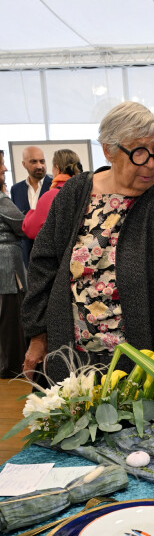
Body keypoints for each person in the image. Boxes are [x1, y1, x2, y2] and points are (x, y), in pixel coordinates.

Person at [21, 102, 154, 383]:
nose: (152, 164)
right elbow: (44, 265)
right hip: (73, 358)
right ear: (109, 150)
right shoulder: (75, 194)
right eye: (139, 152)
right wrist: (38, 335)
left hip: (140, 359)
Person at [0, 150, 27, 377]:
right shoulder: (2, 199)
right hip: (7, 269)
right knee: (12, 319)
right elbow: (23, 226)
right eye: (1, 164)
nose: (5, 169)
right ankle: (12, 368)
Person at [22, 149, 83, 240]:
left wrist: (30, 213)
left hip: (61, 251)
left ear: (57, 169)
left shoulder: (51, 196)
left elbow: (32, 230)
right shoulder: (86, 190)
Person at [10, 145, 52, 267]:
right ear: (24, 164)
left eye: (42, 161)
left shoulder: (55, 187)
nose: (39, 166)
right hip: (26, 256)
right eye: (33, 161)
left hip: (50, 254)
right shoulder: (16, 190)